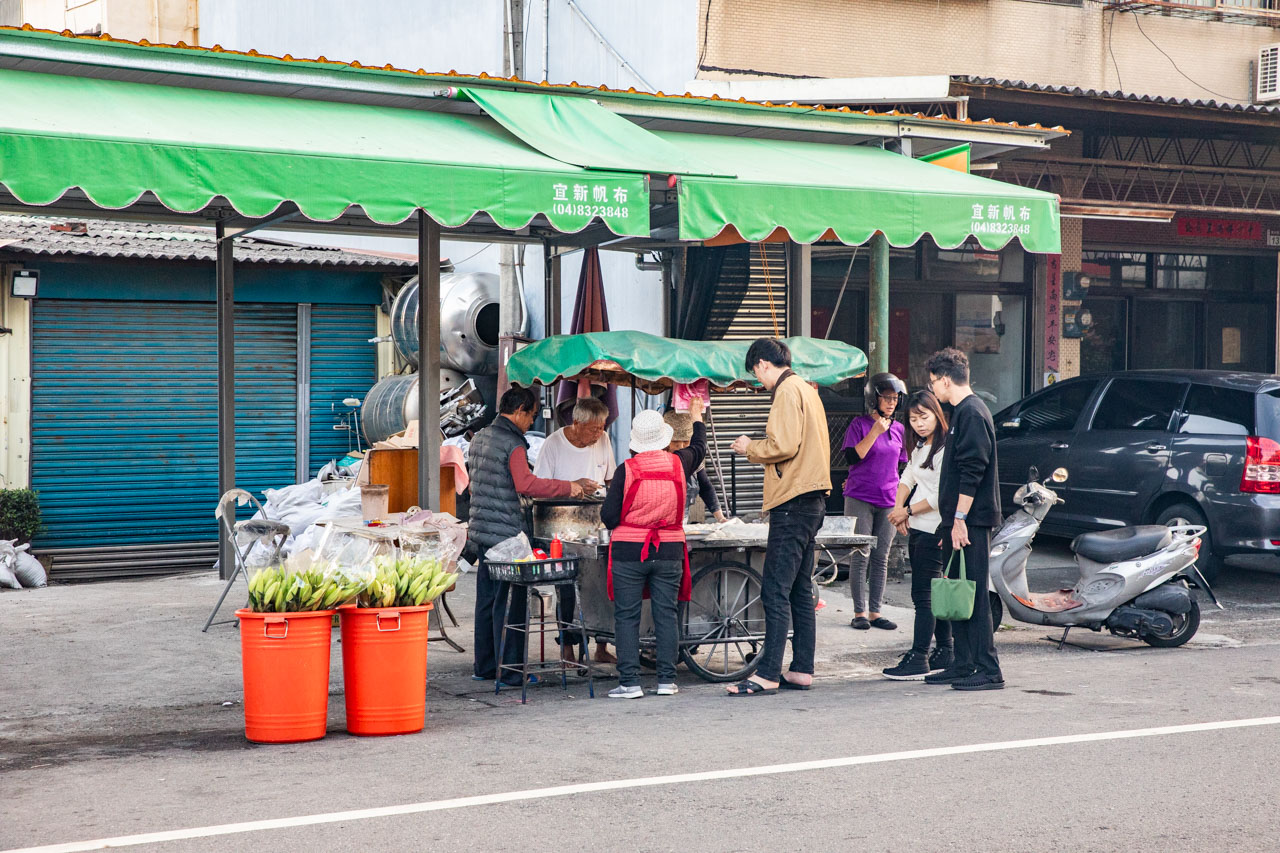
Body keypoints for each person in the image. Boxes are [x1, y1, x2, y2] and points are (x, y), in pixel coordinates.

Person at [467, 386, 596, 686]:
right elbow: (526, 484)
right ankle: (510, 671)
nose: (531, 423)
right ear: (520, 411)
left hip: (482, 530)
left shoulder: (481, 437)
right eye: (532, 416)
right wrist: (569, 487)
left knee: (486, 600)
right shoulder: (512, 443)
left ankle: (484, 666)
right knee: (510, 601)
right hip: (505, 535)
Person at [726, 338, 831, 696]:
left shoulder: (786, 391)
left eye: (756, 373)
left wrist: (748, 447)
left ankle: (768, 672)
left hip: (794, 501)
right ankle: (801, 669)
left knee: (775, 588)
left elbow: (783, 445)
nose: (759, 381)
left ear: (762, 365)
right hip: (813, 497)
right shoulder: (807, 389)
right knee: (801, 590)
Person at [600, 397, 708, 698]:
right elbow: (699, 447)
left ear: (635, 441)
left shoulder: (627, 469)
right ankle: (666, 681)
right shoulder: (679, 463)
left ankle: (630, 684)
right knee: (666, 614)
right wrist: (698, 417)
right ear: (663, 438)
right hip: (670, 550)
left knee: (627, 616)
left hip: (629, 552)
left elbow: (608, 516)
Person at [923, 347, 1005, 691]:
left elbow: (974, 469)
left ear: (944, 380)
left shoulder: (972, 412)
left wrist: (958, 519)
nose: (931, 390)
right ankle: (963, 662)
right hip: (957, 519)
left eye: (932, 383)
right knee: (959, 588)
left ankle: (989, 668)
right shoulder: (960, 412)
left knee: (972, 590)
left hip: (971, 520)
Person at [534, 397, 617, 665]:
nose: (598, 433)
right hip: (562, 522)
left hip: (596, 520)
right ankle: (568, 647)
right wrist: (573, 485)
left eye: (602, 427)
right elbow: (541, 487)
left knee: (602, 583)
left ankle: (602, 646)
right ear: (576, 422)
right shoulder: (553, 444)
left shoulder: (603, 440)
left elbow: (611, 479)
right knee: (568, 587)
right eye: (593, 428)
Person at [882, 390, 954, 680]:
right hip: (918, 528)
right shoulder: (921, 446)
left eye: (924, 417)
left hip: (934, 529)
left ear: (937, 414)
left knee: (924, 597)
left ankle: (919, 656)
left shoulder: (946, 447)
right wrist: (899, 508)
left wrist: (907, 512)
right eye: (913, 419)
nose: (919, 424)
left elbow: (940, 495)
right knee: (932, 595)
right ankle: (945, 650)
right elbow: (907, 478)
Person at [841, 372, 908, 632]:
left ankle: (876, 612)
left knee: (882, 557)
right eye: (886, 398)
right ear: (874, 398)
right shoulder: (858, 424)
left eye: (895, 398)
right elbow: (851, 458)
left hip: (889, 499)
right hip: (860, 497)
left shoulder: (900, 429)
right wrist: (875, 432)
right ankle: (859, 612)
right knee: (860, 555)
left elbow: (902, 465)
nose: (891, 403)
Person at [663, 409, 728, 524]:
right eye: (676, 443)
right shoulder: (660, 460)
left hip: (681, 522)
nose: (681, 447)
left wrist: (720, 518)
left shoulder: (692, 459)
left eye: (686, 442)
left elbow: (705, 486)